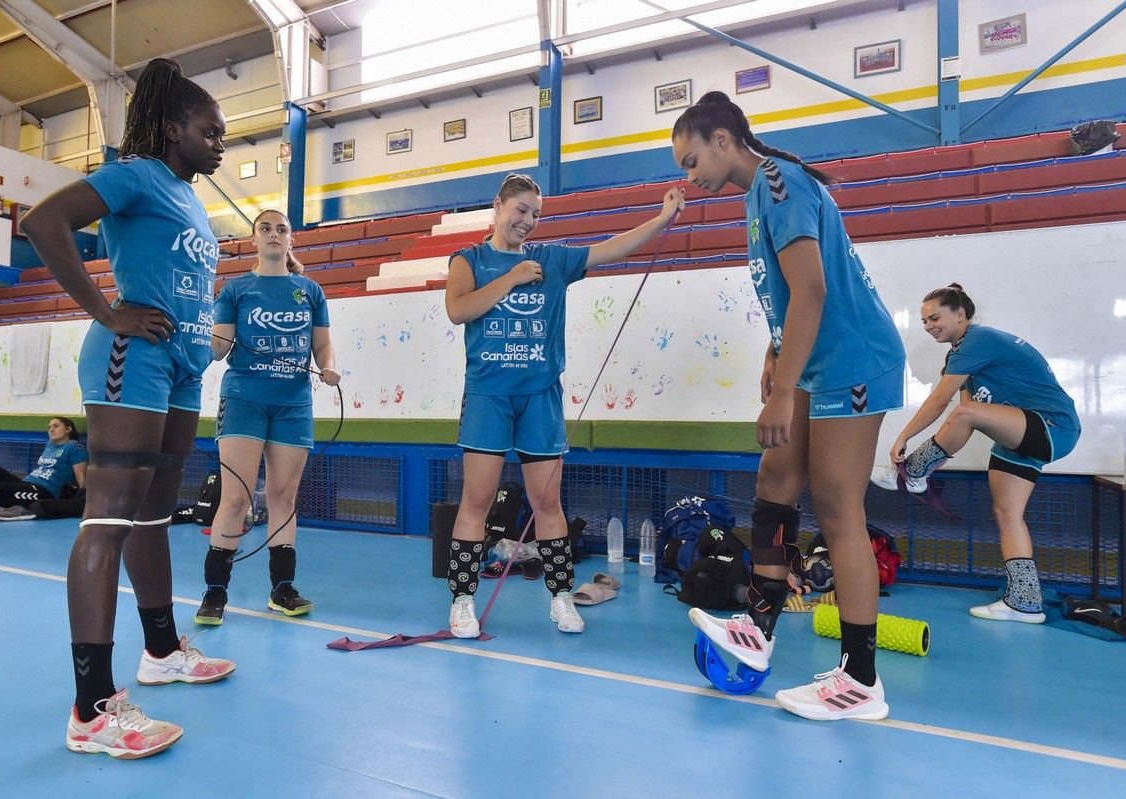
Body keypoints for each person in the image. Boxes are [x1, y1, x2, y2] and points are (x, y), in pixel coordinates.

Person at [21, 57, 235, 760]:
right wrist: (108, 311)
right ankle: (91, 708)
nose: (220, 142)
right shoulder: (138, 173)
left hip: (179, 368)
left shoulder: (188, 197)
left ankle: (163, 650)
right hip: (131, 360)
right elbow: (45, 220)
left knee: (150, 514)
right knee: (108, 518)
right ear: (173, 128)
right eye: (210, 130)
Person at [672, 91, 906, 721]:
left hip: (855, 359)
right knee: (776, 475)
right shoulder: (756, 195)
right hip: (817, 359)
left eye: (691, 160)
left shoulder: (779, 183)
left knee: (836, 504)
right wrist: (777, 352)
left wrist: (781, 391)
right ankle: (759, 626)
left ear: (723, 140)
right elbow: (790, 297)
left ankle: (861, 681)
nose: (689, 177)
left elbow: (812, 288)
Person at [443, 172, 684, 638]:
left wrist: (662, 218)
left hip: (540, 398)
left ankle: (560, 598)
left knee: (548, 502)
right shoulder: (468, 260)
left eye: (536, 214)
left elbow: (612, 248)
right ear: (499, 206)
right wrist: (512, 277)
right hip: (488, 397)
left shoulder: (553, 259)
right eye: (521, 210)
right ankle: (462, 600)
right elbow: (459, 310)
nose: (528, 221)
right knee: (476, 502)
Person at [871, 283, 1080, 623]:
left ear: (961, 315)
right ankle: (1025, 603)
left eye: (935, 317)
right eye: (924, 322)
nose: (929, 326)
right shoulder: (961, 358)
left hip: (1054, 427)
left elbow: (942, 402)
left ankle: (913, 473)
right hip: (1022, 435)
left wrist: (903, 439)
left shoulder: (978, 340)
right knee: (1007, 515)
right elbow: (964, 419)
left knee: (964, 415)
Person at [193, 209, 339, 625]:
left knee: (283, 497)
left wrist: (329, 366)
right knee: (235, 497)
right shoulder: (235, 290)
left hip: (294, 404)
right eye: (266, 229)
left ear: (291, 240)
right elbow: (219, 346)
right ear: (254, 240)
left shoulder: (309, 291)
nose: (275, 235)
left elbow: (323, 347)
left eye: (282, 229)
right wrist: (196, 354)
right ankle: (215, 591)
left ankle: (282, 588)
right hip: (244, 400)